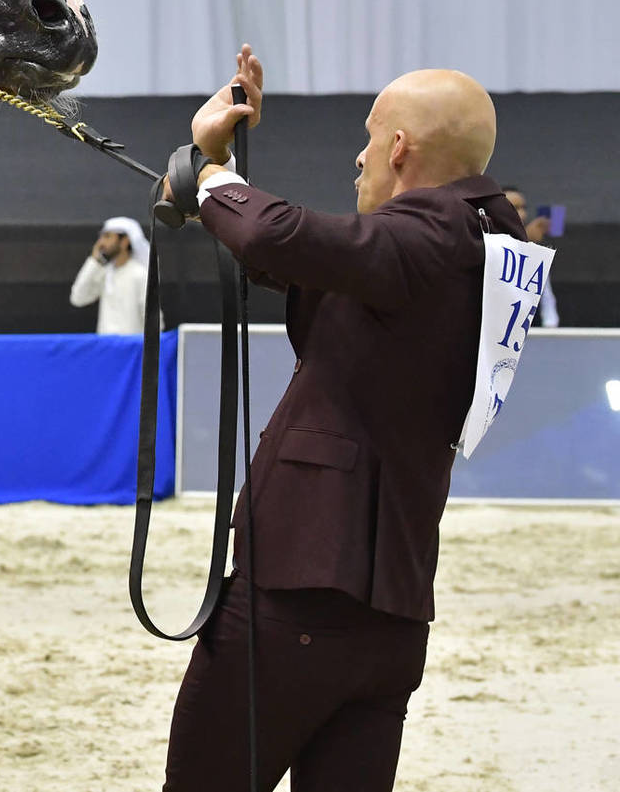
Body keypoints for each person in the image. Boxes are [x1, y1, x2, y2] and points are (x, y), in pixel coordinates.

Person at [159, 45, 527, 792]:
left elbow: (280, 237)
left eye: (369, 137)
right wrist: (216, 187)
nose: (359, 157)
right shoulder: (481, 245)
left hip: (304, 589)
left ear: (399, 148)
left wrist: (210, 173)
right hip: (389, 611)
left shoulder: (431, 236)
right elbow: (311, 260)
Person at [68, 216, 151, 334]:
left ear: (125, 241)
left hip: (132, 344)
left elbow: (153, 319)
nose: (101, 243)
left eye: (107, 236)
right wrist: (94, 261)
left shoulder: (140, 274)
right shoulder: (104, 273)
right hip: (105, 343)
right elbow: (78, 298)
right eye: (101, 237)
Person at [501, 185, 560, 326]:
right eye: (514, 208)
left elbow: (547, 302)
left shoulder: (534, 250)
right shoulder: (483, 241)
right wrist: (524, 242)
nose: (522, 214)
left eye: (523, 208)